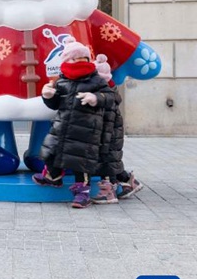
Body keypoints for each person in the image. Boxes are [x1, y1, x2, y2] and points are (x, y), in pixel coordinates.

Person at [33, 38, 113, 208]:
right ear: (66, 60)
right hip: (62, 126)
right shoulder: (61, 81)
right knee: (52, 151)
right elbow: (55, 104)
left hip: (86, 130)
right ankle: (52, 177)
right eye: (74, 59)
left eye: (82, 59)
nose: (79, 62)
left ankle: (82, 193)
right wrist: (48, 96)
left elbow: (111, 97)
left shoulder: (96, 80)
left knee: (81, 162)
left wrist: (95, 98)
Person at [91, 54, 144, 203]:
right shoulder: (111, 91)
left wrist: (101, 143)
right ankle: (129, 181)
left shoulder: (104, 97)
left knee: (107, 167)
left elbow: (106, 126)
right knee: (112, 165)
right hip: (113, 141)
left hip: (108, 141)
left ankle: (109, 194)